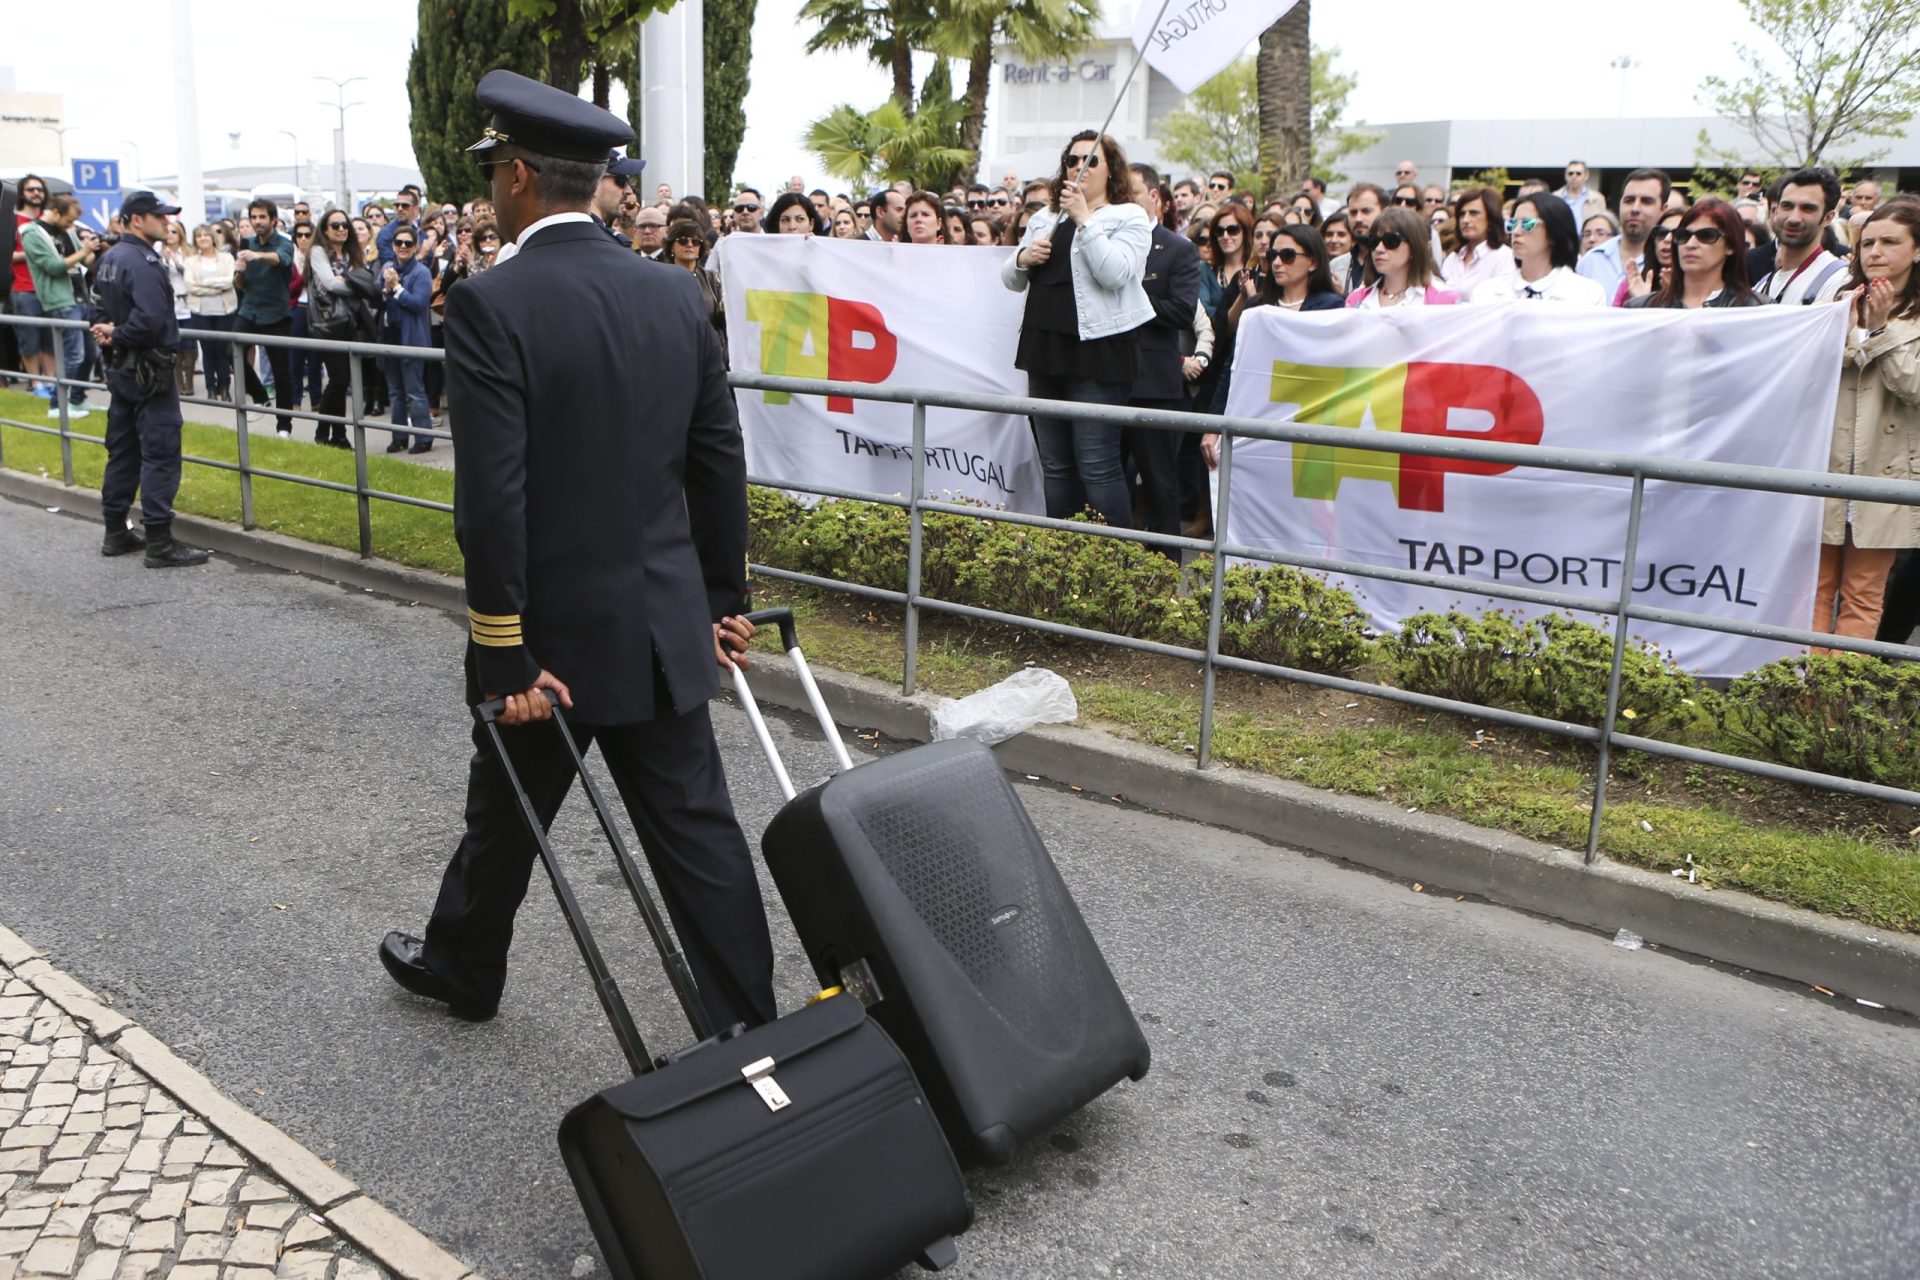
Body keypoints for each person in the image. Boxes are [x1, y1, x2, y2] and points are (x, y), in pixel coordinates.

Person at [379, 69, 777, 1033]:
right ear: (593, 182)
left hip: (549, 639)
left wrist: (504, 646)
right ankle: (752, 1036)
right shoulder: (675, 294)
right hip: (657, 629)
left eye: (491, 172)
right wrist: (723, 599)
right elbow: (719, 462)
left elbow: (493, 501)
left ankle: (466, 969)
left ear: (517, 176)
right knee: (698, 838)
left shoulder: (492, 304)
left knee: (506, 810)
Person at [1002, 129, 1153, 530]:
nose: (1079, 167)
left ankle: (1115, 564)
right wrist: (1022, 257)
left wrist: (1085, 219)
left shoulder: (1129, 216)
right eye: (1072, 160)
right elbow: (1011, 280)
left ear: (1112, 170)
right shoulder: (1043, 217)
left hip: (1098, 352)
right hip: (1044, 347)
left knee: (1098, 466)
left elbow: (1115, 273)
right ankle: (1063, 560)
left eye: (1091, 160)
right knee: (1055, 466)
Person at [1811, 201, 1920, 642]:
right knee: (1813, 590)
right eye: (1867, 242)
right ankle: (1801, 697)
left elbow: (1913, 386)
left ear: (1916, 250)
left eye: (1889, 241)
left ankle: (1837, 706)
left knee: (1863, 594)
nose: (1874, 251)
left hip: (1886, 471)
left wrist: (1879, 332)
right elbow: (1808, 369)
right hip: (1824, 465)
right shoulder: (1836, 301)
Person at [90, 193, 210, 568]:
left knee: (123, 450)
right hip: (148, 369)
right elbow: (151, 322)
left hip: (122, 369)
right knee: (160, 452)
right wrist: (121, 333)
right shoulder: (142, 262)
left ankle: (116, 531)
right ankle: (159, 541)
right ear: (137, 220)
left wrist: (109, 332)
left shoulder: (111, 257)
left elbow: (96, 310)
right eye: (159, 216)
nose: (167, 222)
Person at [1124, 163, 1202, 541]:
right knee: (1109, 478)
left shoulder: (1178, 249)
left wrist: (1130, 299)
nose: (1124, 201)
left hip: (1153, 384)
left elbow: (1182, 311)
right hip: (1105, 379)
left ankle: (1169, 567)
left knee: (1159, 481)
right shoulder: (1109, 245)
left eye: (1133, 193)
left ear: (1155, 197)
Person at [20, 194, 98, 421]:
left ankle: (77, 398)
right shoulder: (32, 233)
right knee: (74, 355)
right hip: (60, 300)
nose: (71, 226)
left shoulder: (68, 231)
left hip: (81, 297)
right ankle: (57, 405)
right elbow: (53, 267)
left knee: (90, 354)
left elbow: (86, 262)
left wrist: (94, 249)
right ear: (55, 211)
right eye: (68, 221)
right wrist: (83, 251)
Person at [306, 211, 374, 447]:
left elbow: (366, 279)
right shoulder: (317, 251)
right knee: (339, 379)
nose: (342, 229)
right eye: (336, 225)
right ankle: (326, 432)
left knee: (342, 380)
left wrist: (349, 281)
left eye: (345, 225)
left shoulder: (352, 252)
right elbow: (331, 284)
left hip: (352, 322)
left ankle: (336, 434)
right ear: (325, 229)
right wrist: (355, 284)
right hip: (328, 323)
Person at [233, 198, 297, 436]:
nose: (258, 222)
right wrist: (239, 272)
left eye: (262, 217)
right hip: (249, 310)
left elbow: (281, 259)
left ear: (274, 220)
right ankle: (260, 397)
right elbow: (240, 284)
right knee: (233, 352)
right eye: (254, 217)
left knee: (282, 374)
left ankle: (284, 427)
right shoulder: (247, 243)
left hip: (277, 315)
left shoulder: (284, 243)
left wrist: (257, 256)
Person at [1625, 198, 1762, 310]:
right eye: (1683, 235)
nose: (1690, 244)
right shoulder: (1642, 308)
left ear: (1731, 246)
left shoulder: (1756, 310)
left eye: (1706, 235)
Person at [1472, 195, 1607, 305]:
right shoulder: (1486, 292)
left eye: (1527, 224)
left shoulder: (1588, 294)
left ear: (1554, 233)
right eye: (1513, 224)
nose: (1516, 232)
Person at [1753, 168, 1850, 305]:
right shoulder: (1762, 285)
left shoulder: (1838, 281)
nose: (1794, 218)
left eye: (1807, 208)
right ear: (1775, 211)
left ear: (1828, 218)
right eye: (1787, 206)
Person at [379, 226, 435, 453]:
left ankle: (423, 438)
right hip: (389, 336)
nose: (403, 247)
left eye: (408, 243)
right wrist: (384, 289)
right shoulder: (386, 268)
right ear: (393, 245)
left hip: (412, 339)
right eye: (399, 242)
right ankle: (399, 437)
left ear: (415, 247)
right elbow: (377, 295)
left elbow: (419, 303)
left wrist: (397, 288)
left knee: (414, 391)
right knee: (395, 392)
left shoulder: (421, 272)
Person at [1579, 168, 1670, 303]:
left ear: (1663, 209)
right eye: (1629, 200)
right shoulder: (1591, 260)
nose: (1635, 209)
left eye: (1646, 201)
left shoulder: (1667, 264)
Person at [1347, 206, 1459, 308]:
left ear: (1414, 246)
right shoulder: (1357, 299)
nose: (1379, 249)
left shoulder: (1444, 299)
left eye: (1390, 241)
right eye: (1374, 241)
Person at [10, 174, 53, 398]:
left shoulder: (47, 221)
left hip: (50, 289)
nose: (36, 193)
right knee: (29, 339)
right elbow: (6, 255)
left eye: (40, 189)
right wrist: (34, 254)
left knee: (50, 339)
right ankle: (36, 384)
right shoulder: (12, 222)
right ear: (22, 194)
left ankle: (52, 381)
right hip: (24, 288)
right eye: (31, 190)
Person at [184, 225, 237, 400]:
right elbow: (191, 287)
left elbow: (229, 282)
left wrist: (205, 282)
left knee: (222, 350)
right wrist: (216, 286)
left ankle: (225, 387)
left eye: (206, 235)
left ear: (213, 237)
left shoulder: (227, 258)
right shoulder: (190, 261)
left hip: (224, 310)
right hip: (200, 312)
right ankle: (211, 388)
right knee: (207, 350)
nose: (203, 238)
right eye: (199, 236)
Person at [1440, 187, 1513, 296]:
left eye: (1474, 213)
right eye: (1462, 214)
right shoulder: (1452, 259)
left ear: (1491, 217)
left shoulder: (1504, 257)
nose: (1465, 220)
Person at [666, 217, 725, 340]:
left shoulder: (711, 279)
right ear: (672, 247)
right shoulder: (661, 277)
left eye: (695, 241)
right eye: (683, 241)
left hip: (708, 346)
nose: (689, 245)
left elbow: (720, 319)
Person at [160, 221, 196, 399]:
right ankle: (178, 383)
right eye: (167, 231)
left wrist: (175, 261)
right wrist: (166, 262)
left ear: (180, 234)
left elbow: (190, 276)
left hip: (187, 303)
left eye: (174, 231)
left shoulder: (189, 253)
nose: (170, 235)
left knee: (189, 344)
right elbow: (159, 277)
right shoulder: (158, 253)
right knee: (173, 344)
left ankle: (189, 381)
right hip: (170, 305)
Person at [591, 149, 647, 248]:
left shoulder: (601, 235)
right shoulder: (592, 238)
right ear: (595, 183)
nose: (629, 191)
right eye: (621, 181)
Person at [1556, 161, 1607, 225]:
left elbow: (1603, 222)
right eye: (1570, 173)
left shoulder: (1597, 198)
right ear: (1565, 176)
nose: (1574, 176)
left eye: (1578, 173)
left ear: (1586, 176)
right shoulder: (1555, 197)